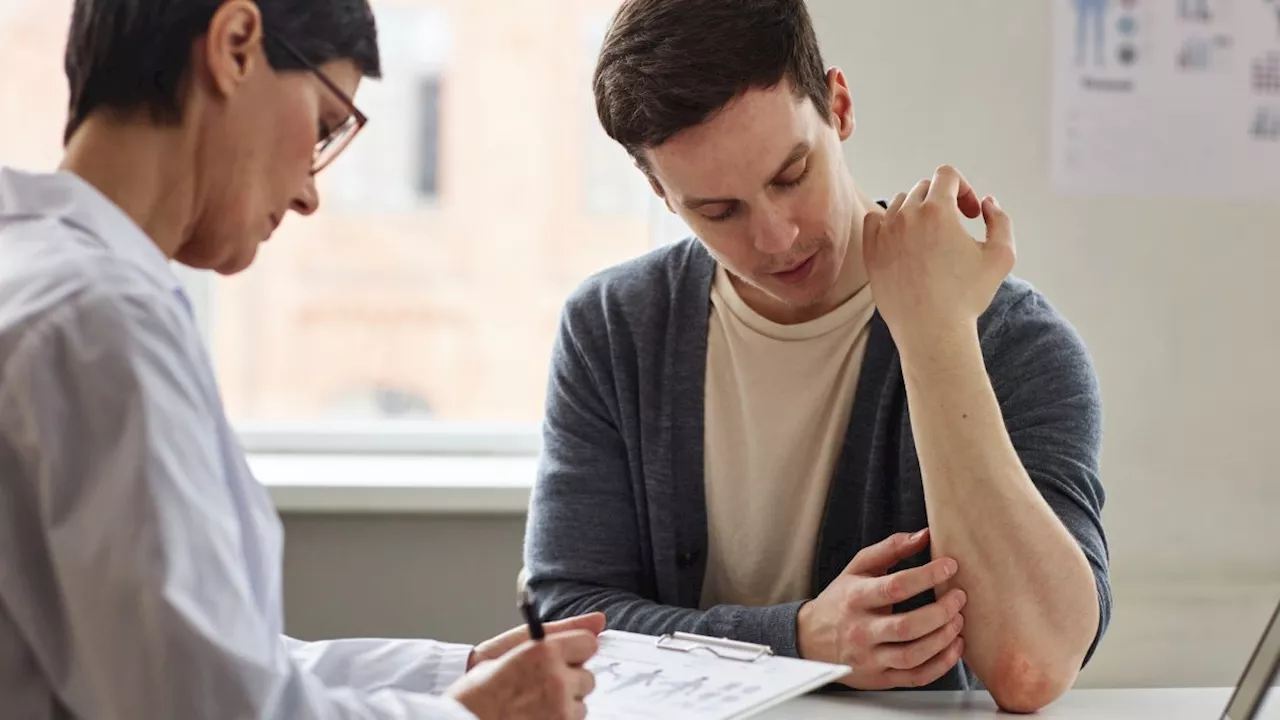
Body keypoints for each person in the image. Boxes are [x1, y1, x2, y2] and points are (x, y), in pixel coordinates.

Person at [0, 1, 602, 718]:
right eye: (322, 125)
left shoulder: (42, 272)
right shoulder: (97, 324)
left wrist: (456, 672)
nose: (311, 194)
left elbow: (207, 654)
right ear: (235, 46)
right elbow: (209, 706)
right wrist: (475, 715)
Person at [523, 0, 1111, 713]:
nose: (773, 237)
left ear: (838, 105)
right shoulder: (613, 330)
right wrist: (796, 641)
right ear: (659, 192)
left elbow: (1030, 666)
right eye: (719, 211)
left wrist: (936, 337)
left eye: (790, 174)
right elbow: (563, 624)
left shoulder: (1010, 339)